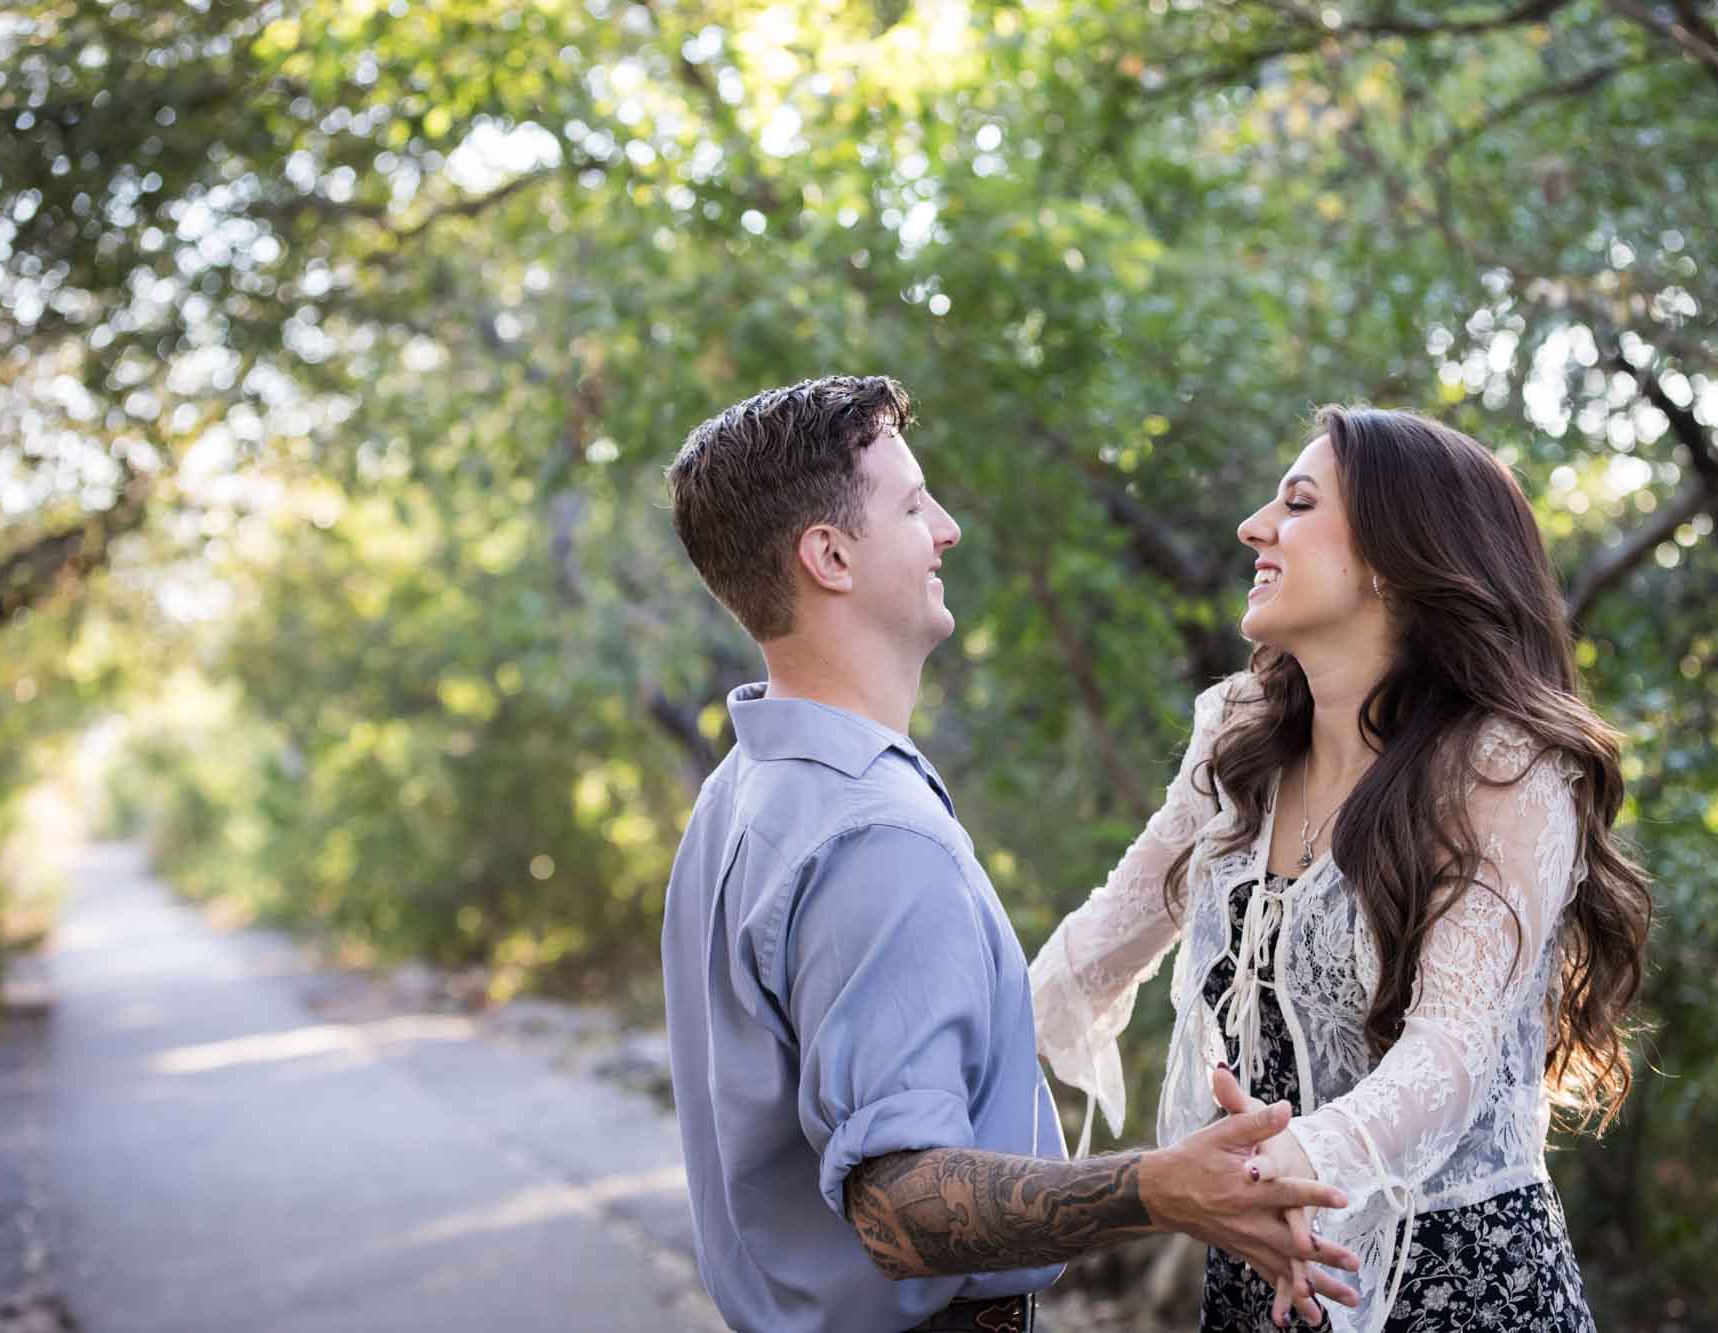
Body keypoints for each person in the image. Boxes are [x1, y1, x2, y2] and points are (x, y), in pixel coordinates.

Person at [658, 375, 1360, 1333]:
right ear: (830, 556)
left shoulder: (739, 793)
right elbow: (902, 1208)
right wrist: (1157, 1186)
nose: (946, 530)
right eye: (914, 506)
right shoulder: (877, 835)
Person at [1030, 406, 1654, 1331]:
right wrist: (946, 1064)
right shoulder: (1238, 736)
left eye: (1297, 503)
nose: (1253, 527)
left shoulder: (1506, 768)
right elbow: (1097, 947)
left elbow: (1450, 1048)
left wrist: (1296, 1160)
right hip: (1255, 1283)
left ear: (1393, 557)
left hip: (1460, 1291)